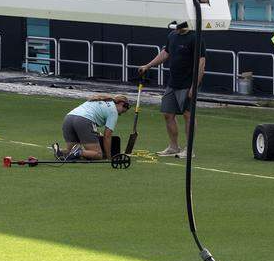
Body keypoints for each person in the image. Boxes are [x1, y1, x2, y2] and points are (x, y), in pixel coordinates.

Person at [137, 21, 205, 158]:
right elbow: (165, 53)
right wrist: (148, 65)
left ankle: (189, 149)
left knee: (188, 115)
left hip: (187, 84)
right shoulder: (172, 35)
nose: (176, 29)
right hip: (172, 83)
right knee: (167, 114)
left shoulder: (195, 38)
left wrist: (194, 86)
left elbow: (201, 63)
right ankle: (174, 147)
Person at [52, 94, 131, 161]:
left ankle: (60, 152)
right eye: (123, 111)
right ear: (121, 103)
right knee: (98, 154)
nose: (120, 114)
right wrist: (109, 157)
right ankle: (78, 152)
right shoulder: (113, 111)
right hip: (83, 121)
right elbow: (107, 136)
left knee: (70, 152)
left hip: (68, 119)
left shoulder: (100, 100)